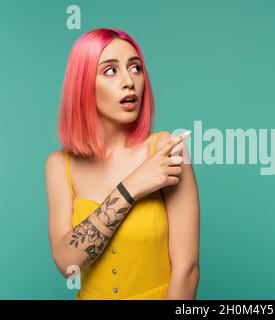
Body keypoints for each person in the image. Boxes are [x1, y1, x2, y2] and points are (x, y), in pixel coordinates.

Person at [45, 28, 200, 300]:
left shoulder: (167, 151)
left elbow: (186, 269)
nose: (129, 81)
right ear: (82, 84)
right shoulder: (59, 165)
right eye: (110, 71)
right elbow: (67, 264)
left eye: (135, 68)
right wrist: (130, 187)